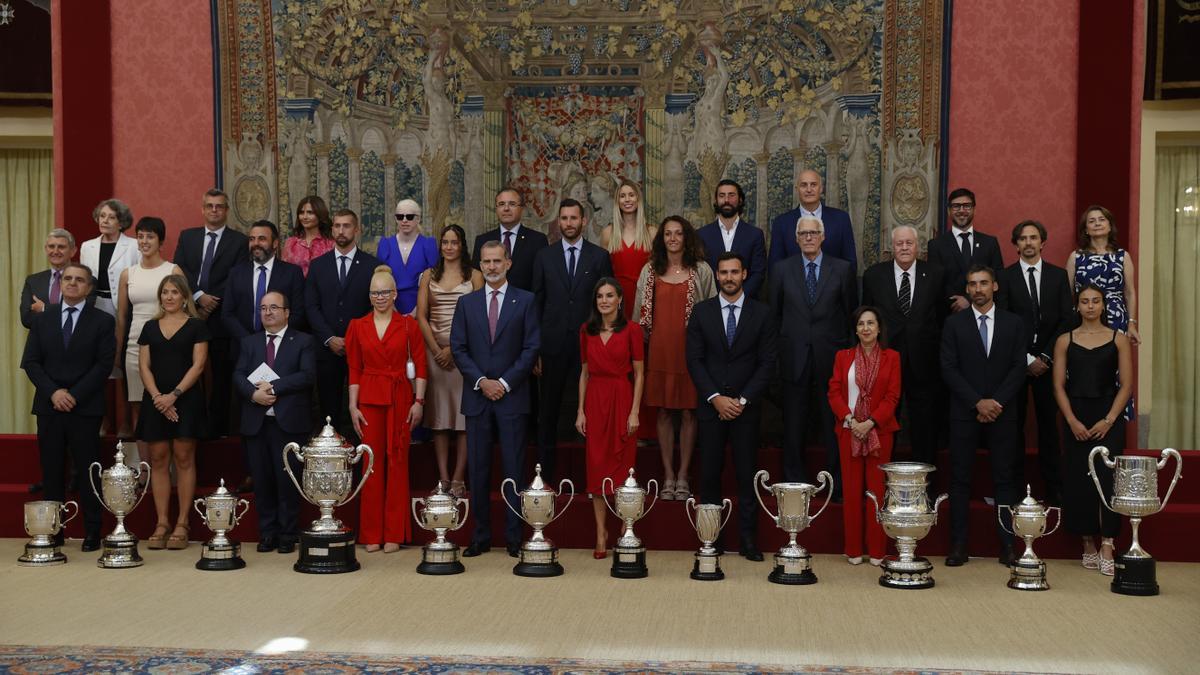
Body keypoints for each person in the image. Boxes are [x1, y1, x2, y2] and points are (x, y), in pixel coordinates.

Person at [450, 240, 541, 558]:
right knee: (478, 469)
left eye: (496, 261)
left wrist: (502, 382)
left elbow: (531, 348)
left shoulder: (526, 301)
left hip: (511, 397)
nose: (491, 267)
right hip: (477, 397)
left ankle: (514, 537)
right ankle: (480, 535)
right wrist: (482, 382)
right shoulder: (467, 303)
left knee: (514, 469)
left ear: (508, 263)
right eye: (486, 262)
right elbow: (458, 348)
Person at [686, 252, 777, 560]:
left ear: (744, 274)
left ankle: (749, 541)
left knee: (746, 475)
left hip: (746, 409)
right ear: (717, 274)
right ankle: (712, 538)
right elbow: (694, 360)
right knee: (710, 474)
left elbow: (766, 363)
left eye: (734, 272)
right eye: (723, 272)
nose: (728, 277)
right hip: (711, 407)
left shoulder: (762, 314)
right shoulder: (701, 312)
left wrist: (740, 400)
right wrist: (716, 398)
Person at [21, 263, 115, 552]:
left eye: (80, 280)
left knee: (88, 471)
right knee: (51, 471)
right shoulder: (43, 317)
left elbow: (103, 365)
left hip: (84, 406)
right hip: (50, 406)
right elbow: (31, 362)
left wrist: (73, 394)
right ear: (60, 284)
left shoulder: (102, 321)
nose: (73, 283)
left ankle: (92, 531)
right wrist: (55, 393)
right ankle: (54, 531)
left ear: (88, 288)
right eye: (68, 279)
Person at [940, 265, 1027, 566]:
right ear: (967, 289)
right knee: (960, 479)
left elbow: (1019, 367)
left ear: (995, 287)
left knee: (1004, 479)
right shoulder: (954, 324)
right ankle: (959, 546)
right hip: (965, 413)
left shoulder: (1014, 323)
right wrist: (977, 402)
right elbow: (948, 368)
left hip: (1004, 413)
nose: (978, 289)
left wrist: (996, 402)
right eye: (972, 284)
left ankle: (1008, 546)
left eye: (984, 283)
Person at [770, 215, 856, 498]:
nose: (808, 237)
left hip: (831, 360)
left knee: (834, 427)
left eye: (813, 232)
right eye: (803, 233)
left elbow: (849, 315)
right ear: (796, 239)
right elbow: (776, 315)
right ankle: (794, 487)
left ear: (823, 236)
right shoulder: (782, 270)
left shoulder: (842, 269)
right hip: (793, 358)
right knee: (793, 426)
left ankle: (834, 485)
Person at [632, 215, 716, 501]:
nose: (672, 238)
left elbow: (712, 312)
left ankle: (684, 475)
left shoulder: (701, 270)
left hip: (691, 353)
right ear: (661, 239)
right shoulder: (649, 270)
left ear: (686, 237)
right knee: (664, 412)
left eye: (678, 233)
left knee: (690, 411)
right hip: (659, 350)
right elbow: (637, 317)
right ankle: (668, 475)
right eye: (667, 234)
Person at [1052, 284, 1132, 576]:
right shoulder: (1065, 340)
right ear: (1077, 306)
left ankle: (1108, 542)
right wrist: (1071, 420)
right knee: (1078, 478)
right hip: (1076, 415)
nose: (1089, 306)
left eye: (1095, 301)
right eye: (1084, 301)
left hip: (1108, 416)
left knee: (1108, 479)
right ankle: (1087, 542)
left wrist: (1109, 419)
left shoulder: (1118, 339)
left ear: (1103, 305)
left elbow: (1126, 385)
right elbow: (1058, 386)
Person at [346, 265, 428, 552]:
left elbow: (420, 366)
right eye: (374, 292)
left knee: (396, 462)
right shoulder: (357, 326)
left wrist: (419, 402)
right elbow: (354, 369)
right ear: (369, 296)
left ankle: (394, 532)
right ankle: (371, 533)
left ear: (395, 294)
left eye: (385, 292)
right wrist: (352, 406)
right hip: (368, 399)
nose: (380, 297)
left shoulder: (409, 325)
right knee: (371, 465)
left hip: (400, 399)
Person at [532, 198, 613, 481]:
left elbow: (608, 305)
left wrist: (605, 344)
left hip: (588, 346)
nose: (568, 223)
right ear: (558, 222)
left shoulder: (599, 257)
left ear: (584, 221)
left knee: (590, 412)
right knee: (548, 413)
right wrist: (536, 350)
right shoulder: (544, 257)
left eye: (573, 218)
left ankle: (590, 476)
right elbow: (537, 304)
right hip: (551, 346)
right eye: (564, 218)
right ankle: (545, 478)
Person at [233, 291, 315, 554]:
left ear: (287, 312)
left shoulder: (303, 341)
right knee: (262, 480)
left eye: (274, 307)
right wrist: (253, 394)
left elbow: (307, 375)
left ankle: (288, 534)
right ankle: (267, 533)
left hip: (288, 423)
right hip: (257, 423)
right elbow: (238, 374)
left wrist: (275, 387)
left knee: (287, 481)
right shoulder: (250, 342)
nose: (268, 312)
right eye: (263, 308)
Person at [998, 220, 1073, 504]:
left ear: (1042, 242)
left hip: (1049, 364)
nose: (1028, 242)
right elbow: (1003, 322)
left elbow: (1067, 319)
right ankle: (1013, 491)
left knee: (1049, 429)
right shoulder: (1004, 278)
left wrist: (1045, 356)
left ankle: (1054, 489)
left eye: (1033, 238)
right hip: (1016, 365)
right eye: (1023, 238)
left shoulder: (1057, 276)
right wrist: (1027, 359)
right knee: (1013, 429)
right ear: (1015, 244)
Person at [861, 226, 947, 467]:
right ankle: (883, 484)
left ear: (918, 246)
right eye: (900, 244)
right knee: (884, 425)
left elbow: (941, 318)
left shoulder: (937, 274)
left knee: (925, 429)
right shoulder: (874, 275)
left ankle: (924, 488)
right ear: (891, 248)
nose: (905, 248)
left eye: (909, 243)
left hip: (925, 364)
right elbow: (866, 319)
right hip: (885, 364)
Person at [137, 274, 210, 551]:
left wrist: (173, 396)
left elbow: (198, 366)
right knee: (157, 458)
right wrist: (158, 398)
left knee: (183, 457)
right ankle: (162, 522)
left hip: (185, 399)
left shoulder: (196, 326)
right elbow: (143, 366)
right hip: (155, 399)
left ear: (184, 297)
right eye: (164, 292)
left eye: (174, 292)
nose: (169, 297)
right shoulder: (149, 327)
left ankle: (182, 522)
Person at [575, 278, 644, 558]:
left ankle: (624, 530)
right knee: (596, 469)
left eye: (609, 296)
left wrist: (635, 411)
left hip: (622, 398)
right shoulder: (586, 331)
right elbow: (584, 373)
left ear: (619, 300)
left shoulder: (632, 330)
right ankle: (600, 533)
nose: (604, 300)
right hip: (595, 400)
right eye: (599, 296)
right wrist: (580, 410)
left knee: (622, 468)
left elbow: (640, 373)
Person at [827, 306, 901, 566]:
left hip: (880, 432)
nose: (866, 328)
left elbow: (893, 396)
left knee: (877, 493)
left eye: (871, 323)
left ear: (879, 328)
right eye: (861, 324)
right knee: (851, 491)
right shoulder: (843, 356)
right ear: (855, 329)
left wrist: (869, 422)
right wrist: (851, 420)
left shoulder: (892, 357)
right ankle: (854, 549)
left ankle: (878, 551)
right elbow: (834, 392)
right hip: (848, 431)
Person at [175, 189, 249, 437]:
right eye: (210, 206)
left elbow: (237, 276)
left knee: (220, 376)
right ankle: (189, 425)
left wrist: (211, 302)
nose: (214, 210)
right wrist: (197, 296)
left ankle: (218, 428)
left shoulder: (239, 241)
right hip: (187, 314)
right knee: (186, 373)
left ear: (226, 211)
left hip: (222, 318)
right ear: (203, 209)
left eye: (219, 206)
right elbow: (180, 270)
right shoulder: (188, 237)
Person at [416, 224, 482, 496]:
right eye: (445, 242)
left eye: (455, 242)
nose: (450, 247)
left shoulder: (475, 276)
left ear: (462, 245)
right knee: (440, 419)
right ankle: (443, 478)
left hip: (464, 356)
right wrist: (435, 350)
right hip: (435, 356)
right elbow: (421, 315)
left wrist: (454, 351)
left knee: (463, 420)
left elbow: (478, 317)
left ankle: (458, 478)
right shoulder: (428, 276)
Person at [305, 209, 382, 433]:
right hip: (327, 349)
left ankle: (361, 461)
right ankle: (332, 460)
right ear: (332, 230)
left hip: (362, 349)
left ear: (356, 230)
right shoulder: (318, 266)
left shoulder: (372, 265)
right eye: (337, 226)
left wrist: (353, 339)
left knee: (363, 408)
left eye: (346, 226)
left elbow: (376, 306)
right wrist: (329, 338)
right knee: (328, 409)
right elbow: (311, 306)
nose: (341, 230)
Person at [116, 217, 184, 469]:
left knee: (169, 403)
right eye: (140, 236)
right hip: (135, 345)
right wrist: (118, 349)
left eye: (150, 236)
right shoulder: (128, 274)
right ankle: (145, 469)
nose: (144, 241)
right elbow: (122, 317)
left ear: (161, 241)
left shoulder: (173, 271)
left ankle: (171, 468)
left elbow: (184, 310)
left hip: (168, 345)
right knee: (138, 407)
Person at [1067, 204, 1138, 424]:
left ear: (1109, 226)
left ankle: (1112, 419)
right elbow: (1068, 293)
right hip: (1083, 320)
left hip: (1116, 318)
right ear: (1085, 229)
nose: (1097, 223)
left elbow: (1130, 292)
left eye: (1101, 219)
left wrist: (1132, 323)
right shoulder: (1076, 257)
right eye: (1092, 220)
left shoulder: (1122, 256)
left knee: (1115, 370)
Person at [80, 200, 140, 438]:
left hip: (123, 310)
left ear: (121, 222)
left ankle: (126, 422)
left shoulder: (133, 246)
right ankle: (103, 421)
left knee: (124, 366)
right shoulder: (87, 246)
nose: (105, 221)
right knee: (97, 367)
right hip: (95, 307)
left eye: (111, 217)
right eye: (102, 216)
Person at [223, 220, 307, 343]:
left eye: (262, 239)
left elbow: (298, 313)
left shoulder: (292, 273)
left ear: (275, 243)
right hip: (243, 347)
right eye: (252, 239)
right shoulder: (236, 273)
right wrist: (249, 341)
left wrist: (273, 337)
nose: (255, 243)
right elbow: (227, 314)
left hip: (281, 346)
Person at [927, 188, 1005, 314]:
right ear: (948, 211)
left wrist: (969, 299)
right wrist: (956, 302)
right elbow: (935, 283)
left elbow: (998, 278)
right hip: (949, 314)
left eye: (967, 206)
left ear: (974, 209)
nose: (962, 210)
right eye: (956, 206)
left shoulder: (990, 243)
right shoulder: (936, 245)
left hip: (984, 312)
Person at [768, 169, 858, 275]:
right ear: (797, 189)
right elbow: (775, 267)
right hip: (793, 290)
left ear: (821, 188)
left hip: (833, 289)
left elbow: (850, 263)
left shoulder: (841, 219)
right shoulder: (782, 223)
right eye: (804, 185)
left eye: (813, 184)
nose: (809, 189)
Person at [696, 180, 766, 298]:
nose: (726, 200)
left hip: (745, 305)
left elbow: (758, 273)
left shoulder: (755, 235)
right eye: (722, 196)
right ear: (716, 200)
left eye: (731, 195)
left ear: (740, 200)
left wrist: (738, 298)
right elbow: (699, 273)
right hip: (711, 305)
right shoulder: (701, 235)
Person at [472, 187, 549, 291]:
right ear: (496, 208)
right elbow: (477, 279)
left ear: (522, 209)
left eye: (512, 204)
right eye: (501, 204)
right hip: (492, 304)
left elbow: (542, 281)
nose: (506, 208)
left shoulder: (537, 240)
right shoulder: (482, 241)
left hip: (526, 305)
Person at [601, 180, 657, 319]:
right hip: (616, 298)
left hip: (644, 296)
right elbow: (602, 272)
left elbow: (659, 271)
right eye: (622, 196)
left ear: (638, 198)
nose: (627, 199)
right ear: (617, 201)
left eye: (631, 195)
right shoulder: (608, 233)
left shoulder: (652, 232)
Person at [377, 199, 438, 315]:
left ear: (418, 219)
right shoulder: (385, 244)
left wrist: (417, 311)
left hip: (422, 309)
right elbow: (380, 279)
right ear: (396, 219)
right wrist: (391, 309)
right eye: (400, 217)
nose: (404, 220)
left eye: (409, 216)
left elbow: (434, 282)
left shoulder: (428, 245)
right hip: (390, 309)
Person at [20, 229, 79, 330]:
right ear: (46, 249)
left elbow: (80, 316)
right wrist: (61, 313)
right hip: (40, 343)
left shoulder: (84, 280)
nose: (55, 251)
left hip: (72, 342)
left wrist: (44, 308)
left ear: (73, 251)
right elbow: (26, 319)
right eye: (51, 246)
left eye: (61, 247)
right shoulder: (33, 281)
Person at [282, 195, 336, 277]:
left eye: (310, 212)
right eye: (301, 212)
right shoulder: (291, 243)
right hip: (295, 289)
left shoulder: (331, 244)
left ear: (320, 214)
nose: (304, 217)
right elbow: (284, 273)